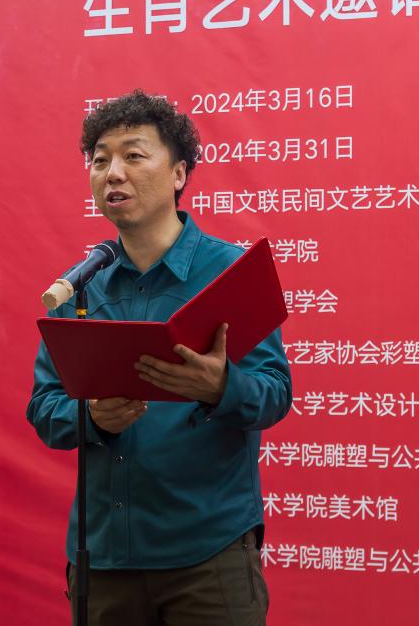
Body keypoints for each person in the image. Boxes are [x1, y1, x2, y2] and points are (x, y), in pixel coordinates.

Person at [27, 90, 292, 626]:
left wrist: (220, 386)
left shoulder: (229, 273)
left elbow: (274, 393)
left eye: (133, 155)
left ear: (178, 173)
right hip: (104, 557)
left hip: (208, 555)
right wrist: (92, 417)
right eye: (100, 160)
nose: (113, 173)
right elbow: (44, 407)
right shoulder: (82, 286)